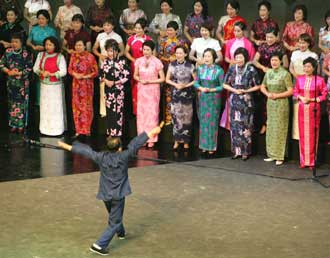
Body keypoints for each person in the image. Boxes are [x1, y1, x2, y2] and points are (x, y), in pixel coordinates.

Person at [57, 125, 162, 256]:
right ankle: (99, 245)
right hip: (118, 195)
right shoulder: (124, 156)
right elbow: (135, 143)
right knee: (115, 221)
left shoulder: (101, 157)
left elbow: (86, 151)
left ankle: (121, 232)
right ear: (119, 148)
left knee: (114, 216)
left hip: (106, 194)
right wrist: (152, 132)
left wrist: (66, 146)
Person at [223, 47, 261, 161]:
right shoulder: (231, 69)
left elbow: (258, 85)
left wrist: (246, 91)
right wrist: (234, 90)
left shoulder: (251, 69)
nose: (239, 59)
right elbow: (225, 84)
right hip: (234, 99)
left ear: (245, 58)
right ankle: (236, 151)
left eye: (241, 57)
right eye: (237, 57)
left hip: (246, 101)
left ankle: (245, 152)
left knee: (246, 126)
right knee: (235, 126)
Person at [294, 57, 328, 168]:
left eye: (309, 66)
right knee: (303, 134)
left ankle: (312, 161)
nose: (306, 68)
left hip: (314, 109)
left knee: (313, 135)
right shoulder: (299, 79)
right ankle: (303, 161)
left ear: (313, 68)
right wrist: (301, 97)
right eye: (305, 66)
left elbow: (324, 94)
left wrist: (313, 100)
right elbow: (295, 92)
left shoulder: (319, 80)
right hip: (302, 109)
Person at [260, 52, 293, 166]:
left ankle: (280, 155)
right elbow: (262, 86)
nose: (273, 62)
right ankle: (271, 154)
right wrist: (267, 94)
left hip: (281, 103)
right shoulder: (268, 72)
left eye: (276, 60)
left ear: (280, 61)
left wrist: (276, 95)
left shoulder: (285, 74)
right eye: (272, 60)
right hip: (270, 103)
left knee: (280, 128)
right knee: (271, 128)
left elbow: (290, 91)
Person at [253, 28, 288, 134]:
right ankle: (264, 124)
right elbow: (254, 61)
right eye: (267, 37)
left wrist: (275, 69)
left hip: (276, 76)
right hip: (264, 74)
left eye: (271, 37)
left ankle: (273, 125)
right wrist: (263, 68)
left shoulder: (280, 48)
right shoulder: (262, 46)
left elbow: (286, 64)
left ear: (277, 37)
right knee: (263, 101)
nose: (269, 39)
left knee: (274, 100)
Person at [33, 36, 67, 136]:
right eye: (46, 44)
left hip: (55, 87)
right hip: (44, 86)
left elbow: (63, 71)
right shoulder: (40, 55)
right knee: (45, 107)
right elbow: (35, 68)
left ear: (55, 46)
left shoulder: (60, 56)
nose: (48, 47)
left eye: (50, 45)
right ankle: (44, 129)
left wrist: (51, 74)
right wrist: (42, 72)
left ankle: (56, 130)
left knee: (55, 107)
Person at [134, 40, 165, 148]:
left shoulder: (157, 62)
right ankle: (142, 138)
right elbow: (135, 75)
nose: (145, 52)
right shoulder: (138, 61)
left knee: (152, 114)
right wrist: (140, 79)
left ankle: (151, 138)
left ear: (152, 50)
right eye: (144, 49)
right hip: (142, 89)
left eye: (148, 50)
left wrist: (150, 81)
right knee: (142, 114)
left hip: (153, 90)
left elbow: (162, 79)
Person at [0, 33, 33, 133]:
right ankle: (13, 124)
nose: (14, 44)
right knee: (12, 103)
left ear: (21, 43)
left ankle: (21, 125)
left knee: (22, 104)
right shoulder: (8, 52)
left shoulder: (26, 53)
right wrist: (8, 71)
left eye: (16, 42)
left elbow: (29, 67)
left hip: (22, 82)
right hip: (11, 82)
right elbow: (1, 64)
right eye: (12, 42)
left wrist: (20, 73)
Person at [157, 20, 188, 125]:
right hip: (166, 69)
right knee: (168, 93)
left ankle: (178, 118)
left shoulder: (181, 42)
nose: (169, 32)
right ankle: (168, 117)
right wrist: (167, 59)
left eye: (171, 30)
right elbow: (159, 55)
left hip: (179, 69)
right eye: (168, 30)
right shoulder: (163, 41)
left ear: (177, 31)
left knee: (178, 92)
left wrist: (175, 57)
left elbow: (186, 55)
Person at [194, 48, 224, 154]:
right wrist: (201, 88)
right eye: (205, 56)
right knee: (203, 122)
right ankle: (203, 145)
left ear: (214, 58)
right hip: (203, 98)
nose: (206, 58)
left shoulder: (219, 70)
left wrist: (212, 89)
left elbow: (222, 86)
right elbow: (196, 83)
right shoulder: (200, 69)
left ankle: (211, 146)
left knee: (212, 122)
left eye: (209, 56)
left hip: (214, 99)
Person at [166, 45, 195, 150]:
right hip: (176, 93)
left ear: (185, 54)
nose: (178, 55)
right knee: (176, 117)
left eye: (180, 53)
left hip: (187, 94)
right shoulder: (172, 65)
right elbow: (167, 79)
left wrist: (185, 85)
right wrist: (175, 85)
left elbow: (195, 80)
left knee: (187, 118)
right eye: (177, 53)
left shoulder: (190, 65)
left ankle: (186, 141)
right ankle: (176, 140)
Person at [289, 33, 318, 140]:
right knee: (296, 108)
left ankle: (307, 136)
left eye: (304, 42)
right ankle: (296, 136)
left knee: (307, 107)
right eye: (300, 42)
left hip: (309, 84)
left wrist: (304, 78)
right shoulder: (294, 53)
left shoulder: (313, 55)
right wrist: (297, 77)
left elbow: (315, 71)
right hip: (296, 81)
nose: (302, 45)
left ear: (309, 43)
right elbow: (291, 68)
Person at [68, 38, 98, 137]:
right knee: (77, 107)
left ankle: (87, 129)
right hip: (76, 84)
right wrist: (75, 74)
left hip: (87, 85)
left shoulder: (90, 57)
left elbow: (96, 72)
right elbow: (70, 69)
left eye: (80, 45)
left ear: (85, 46)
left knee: (86, 107)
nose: (78, 47)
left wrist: (85, 76)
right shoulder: (73, 56)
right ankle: (78, 130)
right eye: (76, 45)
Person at [99, 39, 130, 137]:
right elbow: (100, 75)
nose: (110, 53)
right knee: (109, 112)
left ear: (116, 51)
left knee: (118, 111)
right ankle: (110, 132)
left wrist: (115, 82)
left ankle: (118, 133)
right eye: (108, 51)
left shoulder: (122, 62)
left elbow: (127, 76)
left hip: (118, 90)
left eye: (112, 51)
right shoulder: (105, 62)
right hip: (108, 90)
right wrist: (105, 81)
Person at [26, 9, 57, 106]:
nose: (40, 21)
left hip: (48, 55)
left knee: (46, 76)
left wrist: (44, 47)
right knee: (36, 76)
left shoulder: (51, 30)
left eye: (43, 19)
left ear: (47, 19)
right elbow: (28, 41)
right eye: (39, 19)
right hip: (36, 55)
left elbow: (55, 44)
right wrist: (33, 46)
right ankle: (38, 101)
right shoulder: (34, 29)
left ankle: (48, 100)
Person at [125, 18, 152, 115]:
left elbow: (153, 54)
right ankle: (136, 110)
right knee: (135, 86)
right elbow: (126, 52)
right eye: (136, 28)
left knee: (145, 86)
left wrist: (146, 62)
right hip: (134, 65)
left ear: (144, 29)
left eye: (140, 28)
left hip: (146, 66)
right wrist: (133, 60)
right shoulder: (131, 39)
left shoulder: (148, 39)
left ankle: (146, 109)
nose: (137, 30)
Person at [319, 10, 330, 76]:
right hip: (324, 54)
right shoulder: (322, 30)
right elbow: (319, 44)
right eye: (328, 19)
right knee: (323, 75)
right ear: (326, 20)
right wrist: (326, 51)